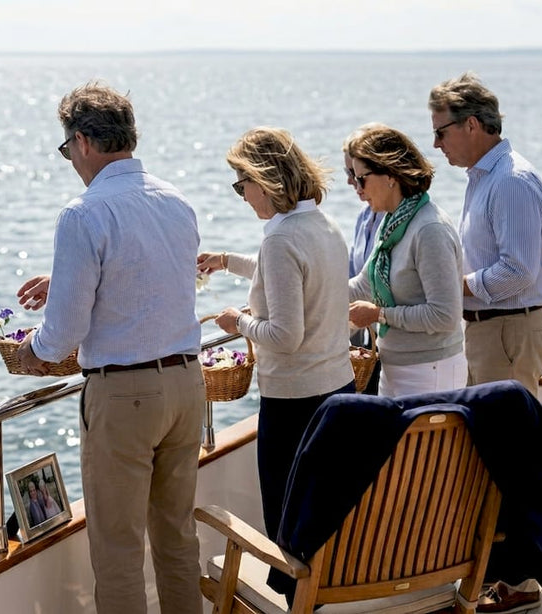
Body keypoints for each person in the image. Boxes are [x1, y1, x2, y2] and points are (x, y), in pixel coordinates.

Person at [15, 81, 205, 614]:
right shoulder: (176, 201)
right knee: (177, 537)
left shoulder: (83, 213)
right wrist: (67, 282)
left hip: (124, 397)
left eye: (67, 150)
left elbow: (62, 336)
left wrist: (32, 351)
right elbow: (150, 284)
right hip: (187, 385)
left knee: (118, 550)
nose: (71, 162)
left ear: (82, 141)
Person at [197, 126, 355, 602]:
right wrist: (227, 261)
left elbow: (285, 336)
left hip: (294, 405)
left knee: (290, 531)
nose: (242, 196)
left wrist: (238, 322)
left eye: (241, 184)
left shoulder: (281, 239)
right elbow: (289, 275)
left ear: (264, 181)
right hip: (339, 392)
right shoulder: (323, 227)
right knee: (328, 520)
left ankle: (298, 605)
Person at [429, 72, 542, 613]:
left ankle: (522, 586)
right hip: (491, 331)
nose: (436, 143)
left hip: (507, 330)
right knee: (494, 457)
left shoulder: (510, 182)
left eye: (441, 131)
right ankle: (504, 578)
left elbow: (518, 272)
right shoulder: (484, 178)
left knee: (509, 461)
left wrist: (454, 286)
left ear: (472, 125)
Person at [344, 126, 467, 397]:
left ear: (390, 175)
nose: (358, 189)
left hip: (430, 371)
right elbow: (363, 286)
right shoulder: (393, 222)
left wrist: (378, 315)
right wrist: (309, 298)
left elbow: (445, 315)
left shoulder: (429, 229)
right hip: (396, 368)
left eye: (361, 179)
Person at [343, 123, 388, 394]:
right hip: (364, 340)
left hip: (385, 336)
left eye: (356, 174)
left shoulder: (395, 219)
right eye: (349, 173)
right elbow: (354, 276)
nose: (352, 182)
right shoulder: (363, 217)